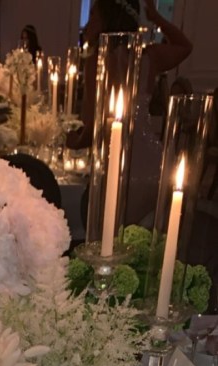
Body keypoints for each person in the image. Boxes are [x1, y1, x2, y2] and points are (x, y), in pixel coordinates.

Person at [67, 0, 192, 225]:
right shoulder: (148, 56)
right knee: (140, 239)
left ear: (108, 18)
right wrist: (155, 18)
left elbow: (91, 127)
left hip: (119, 166)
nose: (89, 22)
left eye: (94, 14)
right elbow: (185, 46)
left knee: (101, 231)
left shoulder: (96, 61)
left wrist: (71, 142)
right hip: (156, 165)